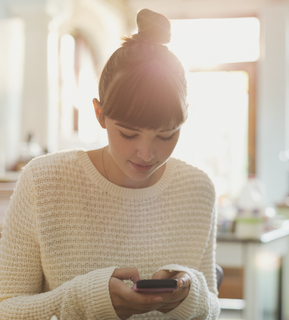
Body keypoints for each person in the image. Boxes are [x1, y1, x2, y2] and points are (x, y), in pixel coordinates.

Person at [0, 9, 220, 320]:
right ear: (99, 114)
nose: (146, 153)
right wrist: (84, 298)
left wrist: (191, 293)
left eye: (166, 135)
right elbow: (6, 310)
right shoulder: (44, 181)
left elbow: (212, 306)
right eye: (129, 133)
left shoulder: (198, 189)